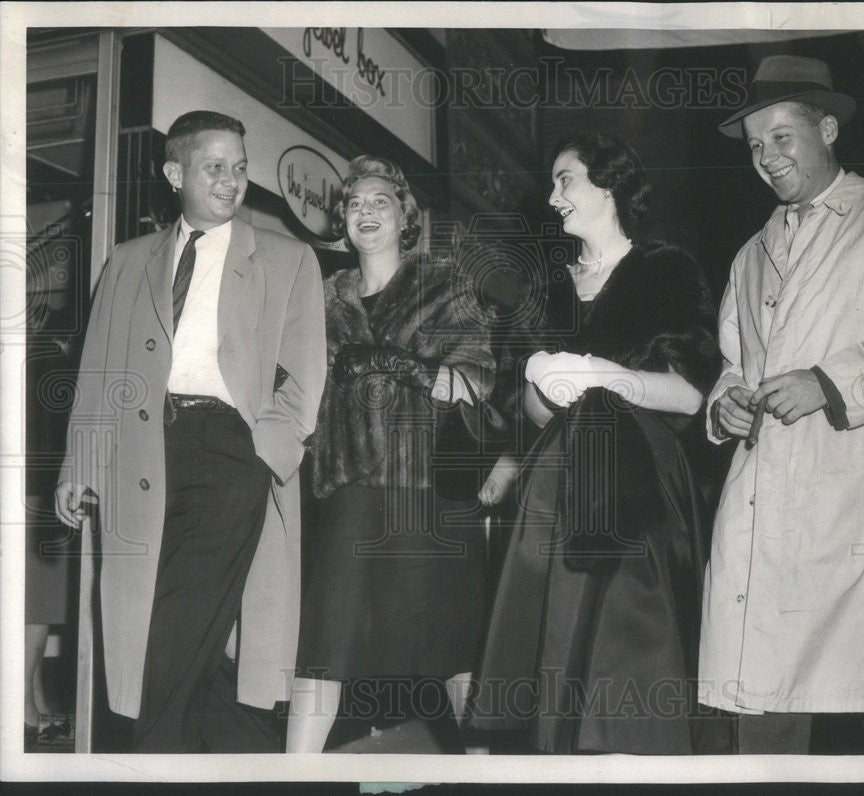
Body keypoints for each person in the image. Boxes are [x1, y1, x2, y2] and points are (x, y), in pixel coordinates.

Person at [699, 55, 864, 754]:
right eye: (756, 146)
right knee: (762, 709)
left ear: (827, 128)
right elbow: (736, 363)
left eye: (782, 137)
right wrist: (725, 403)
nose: (766, 157)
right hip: (771, 511)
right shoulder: (751, 254)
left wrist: (831, 381)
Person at [54, 110, 327, 752]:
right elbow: (99, 372)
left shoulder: (288, 260)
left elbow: (306, 376)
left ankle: (150, 764)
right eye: (215, 168)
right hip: (137, 458)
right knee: (160, 625)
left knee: (172, 624)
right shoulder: (127, 261)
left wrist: (267, 453)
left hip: (230, 452)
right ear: (175, 173)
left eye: (240, 167)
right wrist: (79, 466)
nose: (232, 181)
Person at [469, 133, 726, 754]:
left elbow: (692, 393)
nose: (553, 196)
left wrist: (608, 378)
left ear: (610, 186)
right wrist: (542, 388)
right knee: (557, 653)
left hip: (639, 485)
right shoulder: (544, 287)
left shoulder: (667, 270)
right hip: (551, 489)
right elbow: (522, 412)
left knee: (631, 649)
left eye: (566, 180)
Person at [286, 156, 495, 753]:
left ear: (407, 216)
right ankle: (292, 777)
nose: (366, 212)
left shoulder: (444, 282)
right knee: (324, 645)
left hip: (425, 488)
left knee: (452, 649)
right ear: (341, 223)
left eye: (381, 201)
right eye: (355, 204)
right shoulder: (323, 295)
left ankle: (481, 770)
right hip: (348, 486)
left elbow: (478, 381)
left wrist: (396, 363)